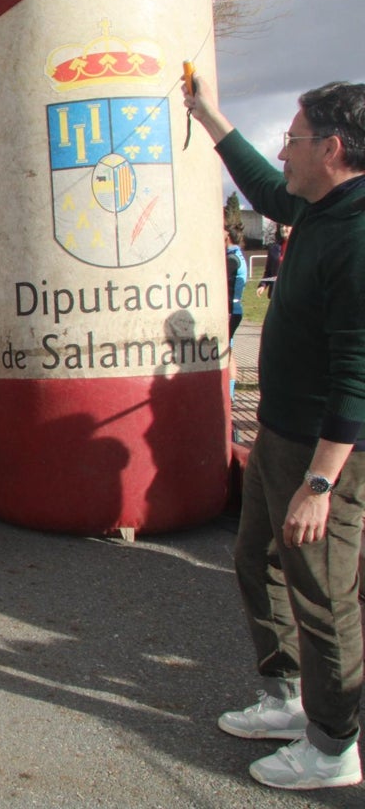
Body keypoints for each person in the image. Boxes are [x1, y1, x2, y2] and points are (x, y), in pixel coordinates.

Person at [185, 75, 365, 790]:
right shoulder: (319, 205)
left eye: (293, 139)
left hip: (325, 451)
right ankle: (286, 696)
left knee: (321, 592)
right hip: (279, 435)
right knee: (255, 555)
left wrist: (320, 484)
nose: (283, 150)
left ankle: (333, 747)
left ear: (334, 147)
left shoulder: (357, 233)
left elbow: (359, 371)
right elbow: (263, 188)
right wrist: (207, 115)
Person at [257, 223, 288, 298]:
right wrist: (263, 285)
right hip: (276, 294)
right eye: (282, 226)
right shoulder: (274, 248)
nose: (283, 229)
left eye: (286, 226)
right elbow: (268, 271)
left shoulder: (301, 249)